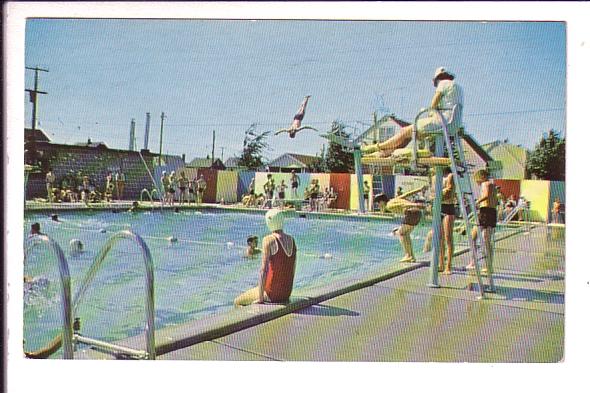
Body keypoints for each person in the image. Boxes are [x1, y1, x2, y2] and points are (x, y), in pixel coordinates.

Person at [361, 67, 464, 158]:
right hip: (453, 125)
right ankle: (384, 153)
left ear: (438, 79)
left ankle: (377, 147)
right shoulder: (459, 88)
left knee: (404, 131)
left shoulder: (443, 83)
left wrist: (430, 113)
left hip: (442, 122)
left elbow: (433, 105)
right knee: (410, 133)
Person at [234, 209, 297, 305]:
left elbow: (264, 270)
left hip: (271, 294)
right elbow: (292, 268)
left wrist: (260, 299)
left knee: (237, 302)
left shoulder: (268, 240)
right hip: (286, 293)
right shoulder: (292, 240)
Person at [423, 168, 456, 274]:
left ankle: (448, 266)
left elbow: (449, 193)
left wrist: (439, 195)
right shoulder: (434, 178)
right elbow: (433, 194)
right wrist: (439, 195)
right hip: (438, 207)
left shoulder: (450, 176)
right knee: (439, 238)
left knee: (448, 237)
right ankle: (441, 264)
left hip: (448, 207)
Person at [382, 188, 427, 263]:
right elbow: (407, 194)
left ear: (382, 202)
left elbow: (403, 204)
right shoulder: (394, 199)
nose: (379, 205)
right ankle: (412, 256)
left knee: (401, 233)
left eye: (378, 203)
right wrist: (419, 189)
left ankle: (408, 255)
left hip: (411, 212)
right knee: (405, 234)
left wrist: (416, 204)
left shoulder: (389, 205)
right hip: (417, 213)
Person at [466, 169, 498, 274]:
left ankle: (482, 264)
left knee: (483, 239)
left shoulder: (486, 184)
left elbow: (486, 196)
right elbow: (494, 200)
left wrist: (476, 202)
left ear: (482, 177)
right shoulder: (492, 185)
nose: (477, 183)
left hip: (486, 212)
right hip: (489, 212)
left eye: (477, 180)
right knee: (477, 237)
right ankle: (483, 264)